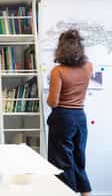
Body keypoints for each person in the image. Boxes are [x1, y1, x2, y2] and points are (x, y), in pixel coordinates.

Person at [47, 29, 92, 196]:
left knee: (63, 162)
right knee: (79, 161)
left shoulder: (58, 71)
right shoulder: (88, 67)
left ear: (61, 48)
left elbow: (53, 102)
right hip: (80, 117)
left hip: (63, 118)